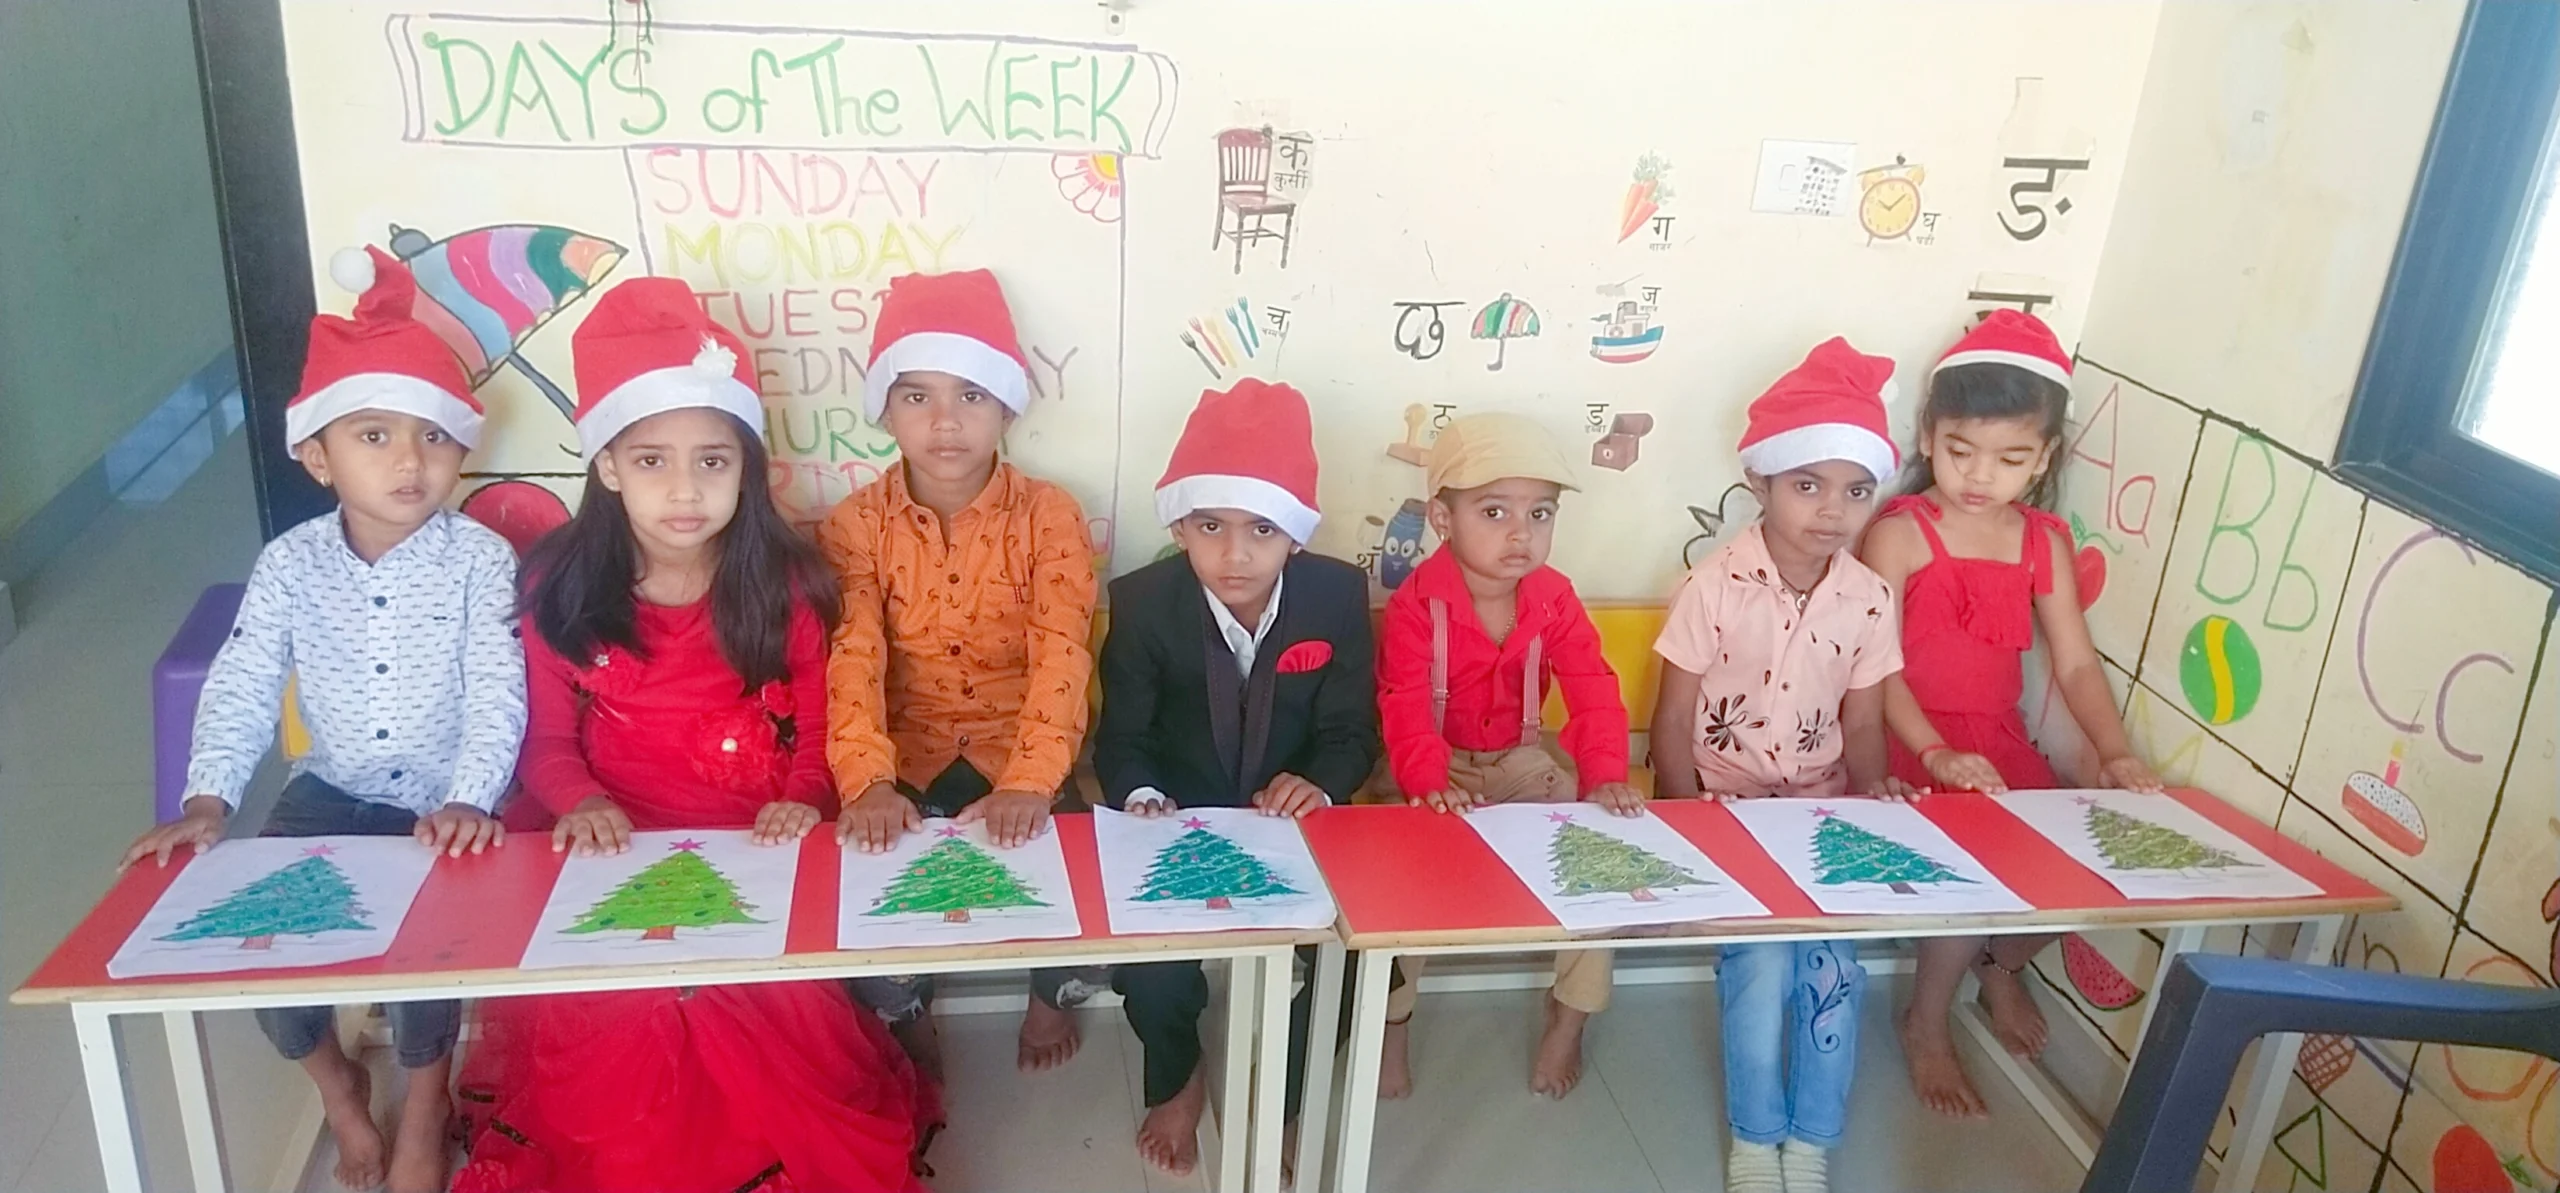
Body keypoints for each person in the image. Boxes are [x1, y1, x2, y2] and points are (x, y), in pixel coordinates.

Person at [452, 278, 934, 1193]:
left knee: (748, 1002)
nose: (684, 489)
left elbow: (821, 729)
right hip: (615, 839)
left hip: (754, 835)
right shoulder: (559, 585)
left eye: (712, 460)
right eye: (652, 461)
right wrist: (580, 802)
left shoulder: (785, 584)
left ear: (746, 467)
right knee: (629, 1005)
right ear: (606, 466)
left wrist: (802, 798)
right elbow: (546, 743)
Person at [120, 247, 522, 1193]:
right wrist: (208, 798)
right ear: (316, 455)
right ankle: (339, 1085)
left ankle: (425, 1104)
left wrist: (471, 798)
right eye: (374, 435)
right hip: (328, 789)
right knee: (261, 938)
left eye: (433, 436)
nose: (409, 461)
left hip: (443, 798)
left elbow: (500, 688)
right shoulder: (290, 564)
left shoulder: (480, 558)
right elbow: (244, 679)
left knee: (431, 947)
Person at [1855, 311, 2163, 1119]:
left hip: (1996, 744)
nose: (1979, 475)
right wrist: (1934, 752)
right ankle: (1926, 1021)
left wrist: (2115, 751)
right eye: (1960, 451)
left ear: (2046, 456)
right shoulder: (1900, 534)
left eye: (2011, 458)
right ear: (1928, 435)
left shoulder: (2040, 541)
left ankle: (2001, 965)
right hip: (1906, 737)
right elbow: (1875, 665)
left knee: (2081, 861)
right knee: (1971, 869)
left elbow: (2076, 663)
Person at [822, 269, 1104, 1078]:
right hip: (904, 751)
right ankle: (907, 1012)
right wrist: (868, 782)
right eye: (917, 396)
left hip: (1021, 746)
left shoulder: (1050, 514)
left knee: (1087, 894)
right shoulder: (854, 525)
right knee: (866, 898)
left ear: (1007, 407)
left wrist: (1031, 781)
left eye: (971, 395)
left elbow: (1062, 650)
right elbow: (852, 656)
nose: (945, 421)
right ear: (884, 408)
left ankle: (1050, 995)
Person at [1092, 379, 1375, 1177]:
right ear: (1179, 526)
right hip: (1179, 810)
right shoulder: (1143, 603)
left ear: (1296, 534)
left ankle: (1283, 1096)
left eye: (1262, 528)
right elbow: (1123, 738)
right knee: (1152, 959)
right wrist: (1143, 796)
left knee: (1356, 956)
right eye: (1211, 526)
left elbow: (1353, 731)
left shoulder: (1337, 596)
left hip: (1296, 819)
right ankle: (1176, 1074)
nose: (1236, 553)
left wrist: (1319, 783)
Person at [1649, 338, 1910, 1193]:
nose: (1832, 510)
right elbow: (1674, 716)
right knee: (1760, 969)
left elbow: (1863, 720)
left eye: (1856, 490)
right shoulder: (1714, 585)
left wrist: (1872, 800)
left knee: (1832, 969)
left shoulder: (1868, 597)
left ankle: (1813, 1138)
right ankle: (1757, 1138)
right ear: (1760, 481)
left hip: (1821, 817)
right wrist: (1686, 820)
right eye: (1808, 485)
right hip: (1725, 812)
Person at [1375, 412, 1644, 1100]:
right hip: (1433, 765)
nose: (1521, 533)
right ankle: (1392, 1022)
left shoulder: (1554, 598)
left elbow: (1593, 689)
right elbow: (1405, 706)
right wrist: (1428, 782)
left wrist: (1604, 776)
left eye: (1539, 513)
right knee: (1401, 889)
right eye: (1494, 512)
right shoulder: (1415, 605)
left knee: (1597, 865)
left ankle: (1570, 1015)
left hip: (1522, 762)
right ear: (1443, 519)